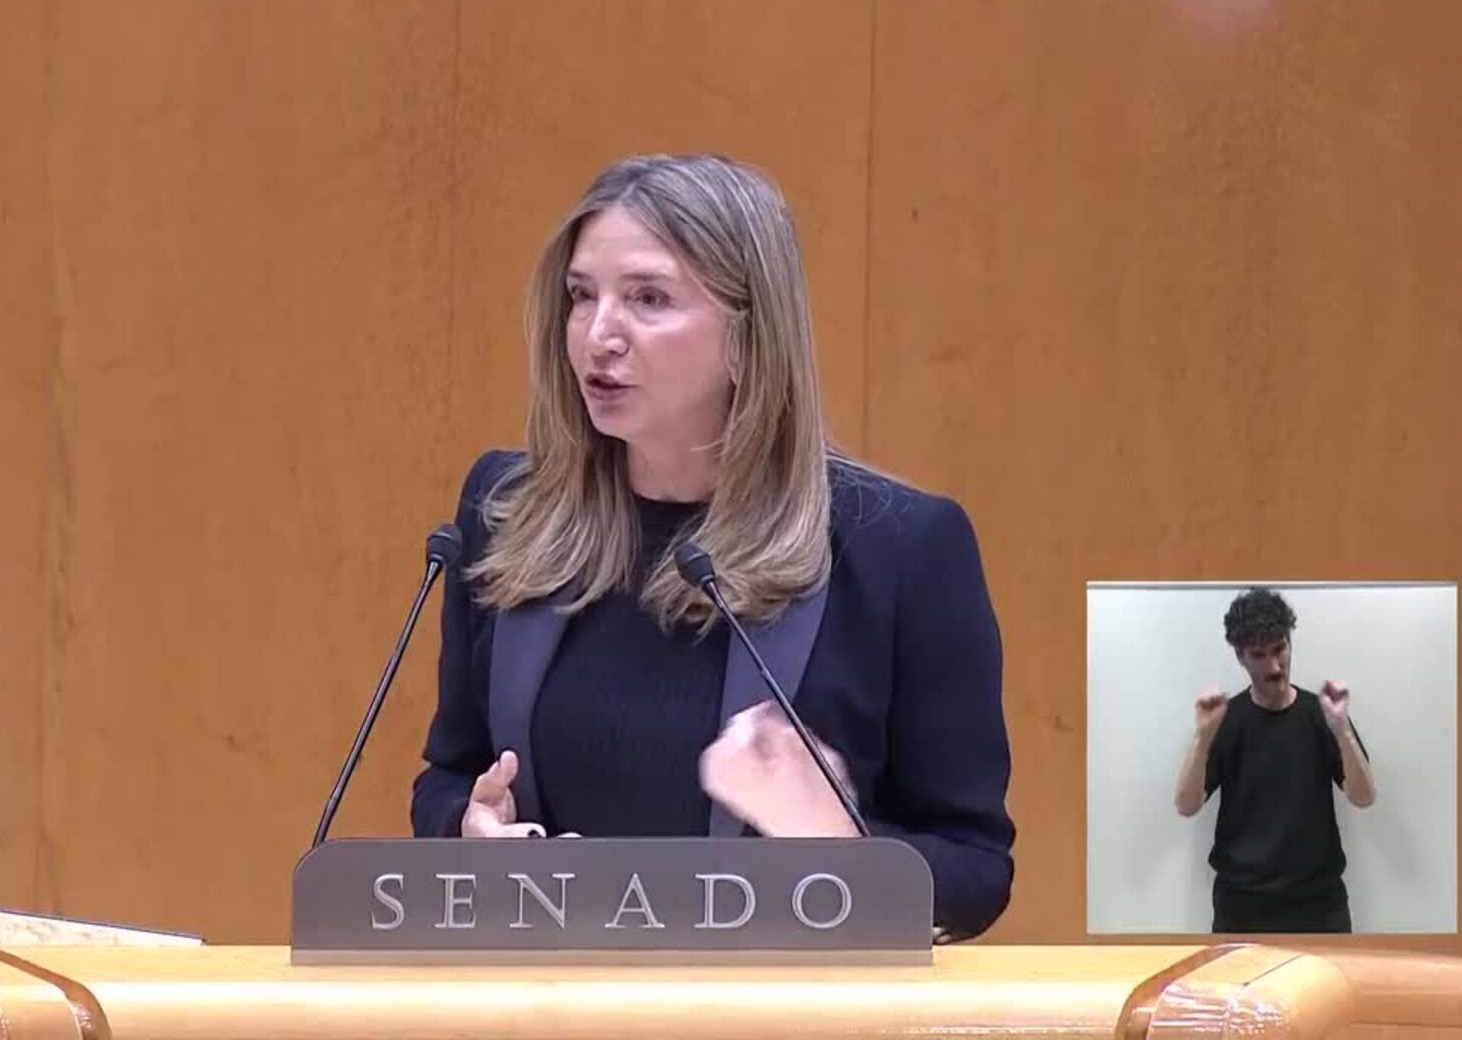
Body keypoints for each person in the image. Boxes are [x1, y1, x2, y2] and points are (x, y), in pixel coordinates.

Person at [408, 153, 1015, 940]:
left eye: (649, 299)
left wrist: (837, 844)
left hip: (777, 1000)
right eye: (581, 296)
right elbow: (449, 774)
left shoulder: (901, 550)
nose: (598, 336)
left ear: (747, 336)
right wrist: (468, 827)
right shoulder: (507, 511)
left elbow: (975, 871)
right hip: (546, 991)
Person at [1173, 587, 1377, 933]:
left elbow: (1364, 796)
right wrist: (1202, 737)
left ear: (1290, 643)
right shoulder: (1226, 719)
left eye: (1280, 649)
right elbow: (1186, 805)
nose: (1274, 666)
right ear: (1240, 657)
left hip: (1319, 905)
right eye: (1259, 654)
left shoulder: (1322, 714)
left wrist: (1342, 729)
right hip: (1242, 905)